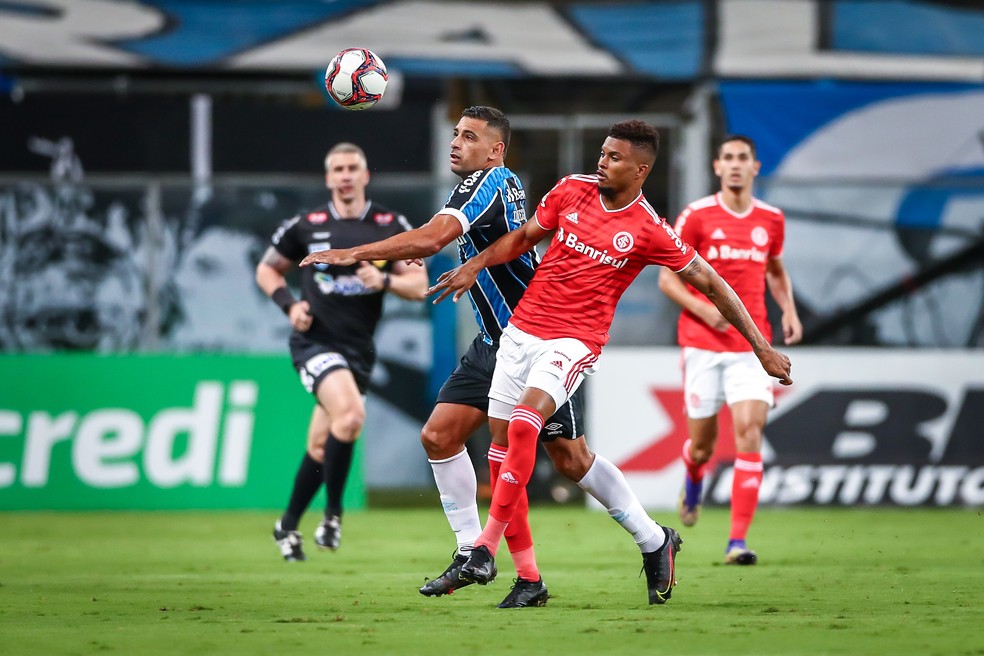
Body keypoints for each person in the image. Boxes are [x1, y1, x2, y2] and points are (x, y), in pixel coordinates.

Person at [301, 107, 681, 608]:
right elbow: (444, 234)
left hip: (539, 338)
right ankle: (476, 553)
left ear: (496, 149)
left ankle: (653, 539)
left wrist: (356, 252)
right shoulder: (485, 184)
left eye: (470, 136)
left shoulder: (492, 180)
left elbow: (437, 236)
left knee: (570, 460)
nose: (456, 143)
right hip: (493, 342)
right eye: (455, 134)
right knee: (440, 435)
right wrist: (422, 245)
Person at [427, 120, 793, 604]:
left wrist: (760, 346)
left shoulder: (648, 228)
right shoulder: (571, 190)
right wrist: (475, 264)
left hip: (575, 342)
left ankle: (484, 550)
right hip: (520, 334)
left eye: (614, 157)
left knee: (522, 428)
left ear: (641, 169)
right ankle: (632, 547)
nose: (602, 161)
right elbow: (524, 238)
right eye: (602, 152)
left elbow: (711, 282)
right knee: (525, 452)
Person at [257, 142, 428, 561]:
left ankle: (286, 527)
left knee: (320, 446)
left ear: (366, 175)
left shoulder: (390, 224)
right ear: (329, 177)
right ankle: (333, 515)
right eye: (338, 169)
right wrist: (290, 305)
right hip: (315, 341)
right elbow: (267, 269)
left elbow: (419, 286)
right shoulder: (306, 224)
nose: (346, 175)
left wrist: (384, 281)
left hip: (358, 350)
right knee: (351, 416)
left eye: (353, 168)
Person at [658, 135, 802, 565]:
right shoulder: (697, 216)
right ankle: (695, 475)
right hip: (702, 345)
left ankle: (736, 542)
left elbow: (775, 270)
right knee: (702, 447)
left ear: (755, 167)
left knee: (750, 434)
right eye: (728, 159)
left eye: (743, 159)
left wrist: (789, 310)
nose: (736, 165)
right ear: (717, 167)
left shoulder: (772, 219)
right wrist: (704, 310)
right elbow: (668, 278)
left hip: (751, 346)